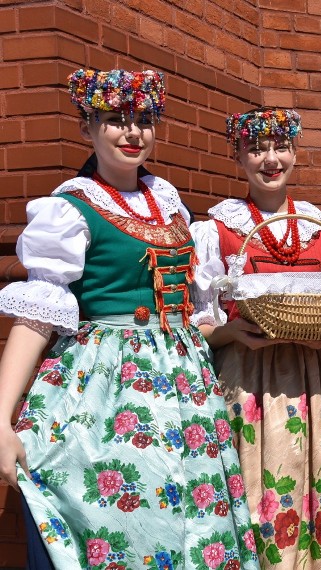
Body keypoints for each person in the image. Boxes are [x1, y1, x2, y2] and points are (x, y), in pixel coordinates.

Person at [0, 69, 257, 569]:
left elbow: (187, 300)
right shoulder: (70, 208)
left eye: (143, 119)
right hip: (108, 384)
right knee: (127, 517)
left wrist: (222, 331)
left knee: (195, 517)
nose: (132, 132)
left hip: (186, 385)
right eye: (116, 120)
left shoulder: (168, 201)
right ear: (88, 128)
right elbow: (36, 317)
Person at [190, 107, 321, 568]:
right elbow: (200, 322)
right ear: (238, 156)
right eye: (257, 149)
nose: (271, 159)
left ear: (294, 152)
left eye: (281, 147)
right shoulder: (216, 231)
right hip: (249, 380)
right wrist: (233, 332)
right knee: (258, 497)